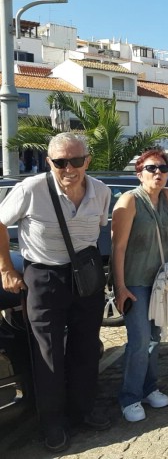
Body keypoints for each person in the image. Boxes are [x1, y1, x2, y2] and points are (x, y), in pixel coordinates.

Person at [0, 133, 111, 452]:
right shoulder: (31, 189)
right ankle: (52, 423)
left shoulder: (101, 191)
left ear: (87, 160)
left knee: (86, 347)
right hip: (44, 276)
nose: (69, 168)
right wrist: (6, 268)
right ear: (49, 162)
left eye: (76, 160)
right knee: (47, 353)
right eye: (61, 162)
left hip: (85, 277)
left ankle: (83, 411)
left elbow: (98, 230)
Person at [112, 148, 168, 423]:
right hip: (135, 283)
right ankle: (129, 397)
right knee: (139, 341)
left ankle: (148, 388)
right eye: (152, 168)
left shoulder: (166, 197)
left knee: (155, 340)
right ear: (139, 173)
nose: (158, 173)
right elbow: (117, 248)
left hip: (159, 285)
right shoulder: (130, 201)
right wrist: (120, 288)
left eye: (163, 169)